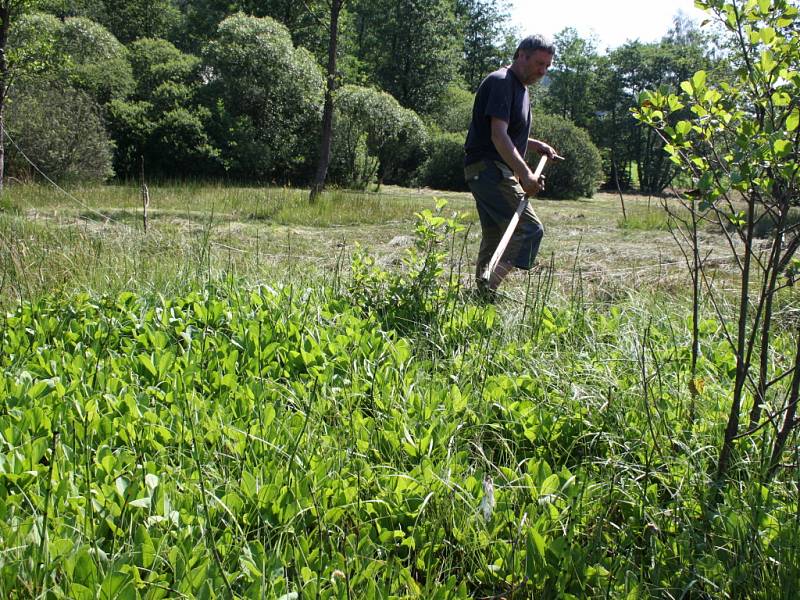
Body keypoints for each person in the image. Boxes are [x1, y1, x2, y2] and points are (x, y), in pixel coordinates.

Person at [464, 34, 559, 300]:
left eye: (547, 67)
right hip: (489, 168)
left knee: (496, 234)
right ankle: (486, 292)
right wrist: (527, 175)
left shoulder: (520, 89)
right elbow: (497, 136)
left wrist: (534, 144)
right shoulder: (502, 82)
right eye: (539, 63)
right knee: (529, 229)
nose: (542, 71)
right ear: (521, 55)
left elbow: (507, 133)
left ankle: (481, 294)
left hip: (487, 168)